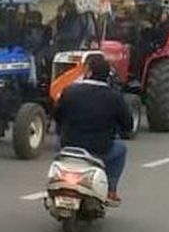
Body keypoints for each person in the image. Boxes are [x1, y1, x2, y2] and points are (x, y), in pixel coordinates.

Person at [54, 54, 131, 205]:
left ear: (88, 72)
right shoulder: (114, 97)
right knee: (121, 149)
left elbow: (57, 116)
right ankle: (111, 191)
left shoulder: (69, 91)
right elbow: (127, 125)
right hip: (100, 149)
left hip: (68, 144)